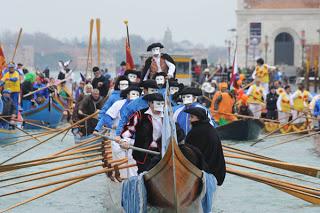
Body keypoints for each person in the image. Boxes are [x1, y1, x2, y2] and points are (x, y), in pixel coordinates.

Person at [119, 93, 165, 174]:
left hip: (161, 152)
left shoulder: (167, 116)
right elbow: (130, 129)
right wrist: (125, 141)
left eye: (162, 103)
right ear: (150, 103)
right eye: (158, 103)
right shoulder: (140, 115)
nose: (160, 106)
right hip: (143, 152)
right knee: (144, 176)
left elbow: (177, 132)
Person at [184, 107, 226, 186]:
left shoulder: (195, 132)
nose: (189, 119)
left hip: (203, 173)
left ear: (199, 118)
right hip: (216, 173)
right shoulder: (211, 129)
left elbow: (188, 154)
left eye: (192, 117)